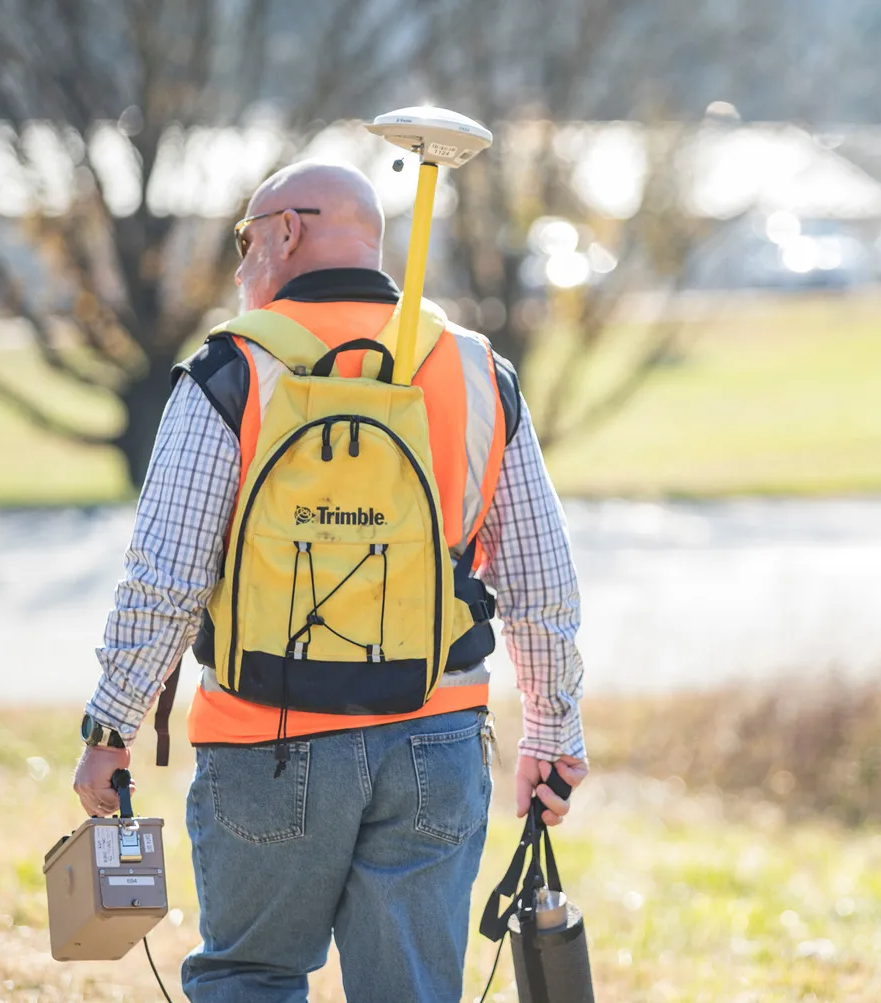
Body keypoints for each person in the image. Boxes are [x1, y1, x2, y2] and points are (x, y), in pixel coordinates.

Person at [71, 161, 587, 1003]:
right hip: (435, 739)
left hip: (263, 740)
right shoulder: (476, 370)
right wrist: (552, 733)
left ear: (287, 232)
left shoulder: (229, 371)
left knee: (251, 978)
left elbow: (165, 576)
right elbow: (541, 583)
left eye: (246, 238)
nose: (241, 264)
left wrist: (111, 724)